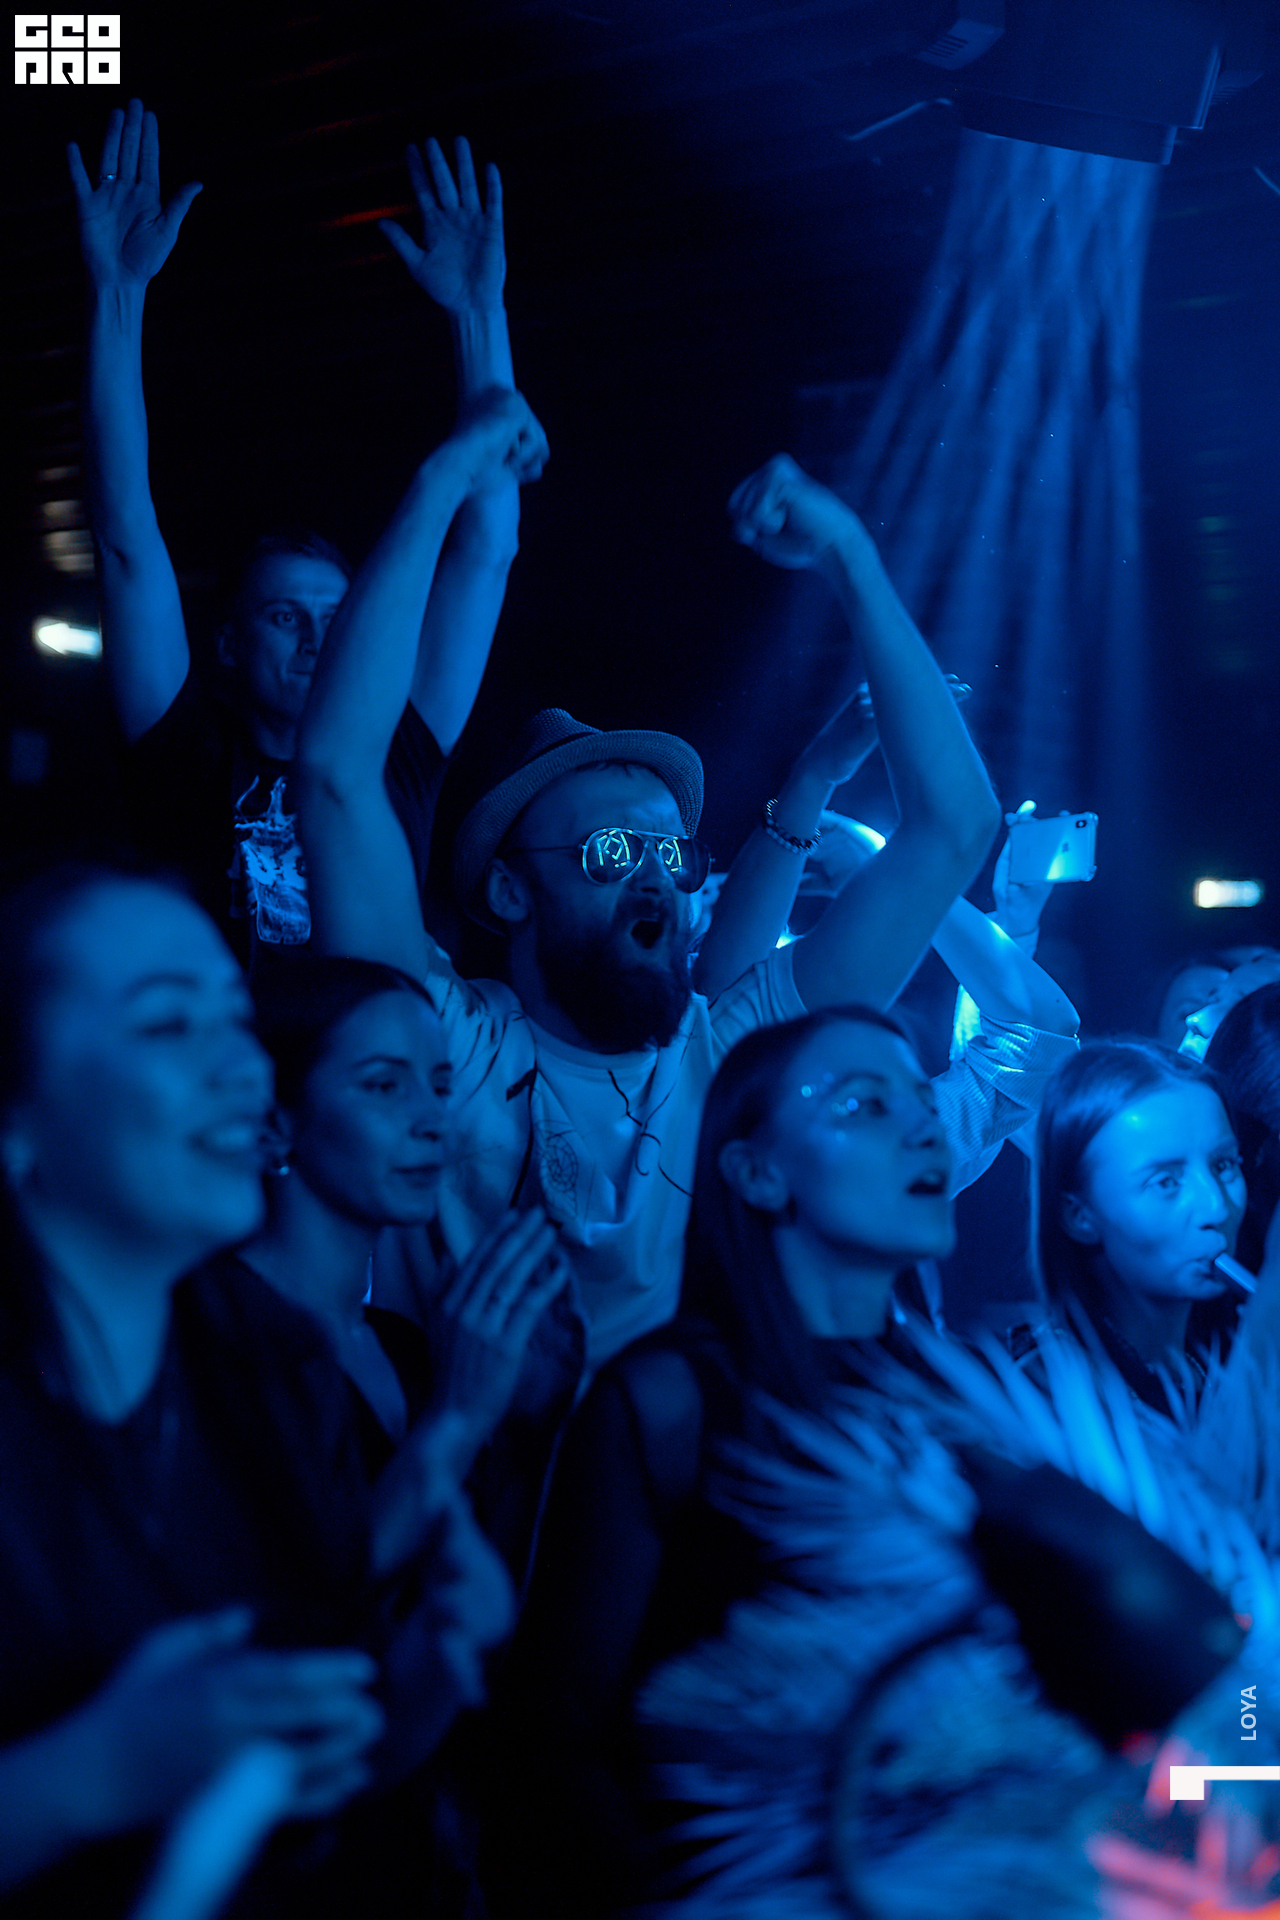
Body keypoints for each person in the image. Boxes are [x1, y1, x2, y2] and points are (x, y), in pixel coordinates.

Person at [496, 1009, 1250, 1917]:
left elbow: (1150, 1679)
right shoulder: (668, 1403)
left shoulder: (966, 1402)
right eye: (865, 1104)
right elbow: (553, 1732)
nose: (925, 1126)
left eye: (923, 1102)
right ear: (757, 1171)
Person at [295, 451, 1001, 1368]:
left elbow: (953, 829)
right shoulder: (450, 1048)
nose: (654, 877)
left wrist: (849, 555)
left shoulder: (730, 1055)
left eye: (670, 853)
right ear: (511, 890)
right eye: (609, 851)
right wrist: (439, 481)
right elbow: (337, 778)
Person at [0, 862, 509, 1917]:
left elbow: (300, 1795)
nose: (241, 1066)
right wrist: (87, 1774)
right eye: (168, 1024)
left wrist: (423, 1674)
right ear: (17, 1112)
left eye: (236, 1019)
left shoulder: (269, 1369)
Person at [70, 102, 525, 962]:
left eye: (335, 616)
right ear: (229, 645)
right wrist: (116, 295)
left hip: (375, 1050)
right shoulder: (189, 753)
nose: (317, 639)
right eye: (285, 616)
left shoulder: (399, 749)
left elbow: (486, 551)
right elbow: (124, 534)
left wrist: (479, 316)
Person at [236, 951, 578, 1578]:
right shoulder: (213, 1337)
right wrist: (457, 1418)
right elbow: (291, 1602)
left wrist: (527, 1414)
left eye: (441, 1087)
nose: (434, 1123)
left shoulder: (405, 1347)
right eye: (384, 1086)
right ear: (277, 1120)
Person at [1031, 1039, 1249, 1409]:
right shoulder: (1046, 1393)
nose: (1216, 1208)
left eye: (1223, 1165)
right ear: (1079, 1215)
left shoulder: (1225, 1360)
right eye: (1165, 1182)